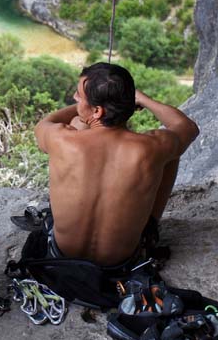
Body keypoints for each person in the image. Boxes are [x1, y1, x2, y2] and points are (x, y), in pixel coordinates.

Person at [33, 62, 199, 267]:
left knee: (77, 123)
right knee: (171, 153)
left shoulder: (61, 140)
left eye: (78, 96)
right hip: (123, 262)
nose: (75, 99)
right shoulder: (153, 147)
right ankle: (150, 229)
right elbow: (187, 127)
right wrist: (141, 100)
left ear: (97, 111)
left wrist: (83, 113)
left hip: (62, 255)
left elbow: (44, 124)